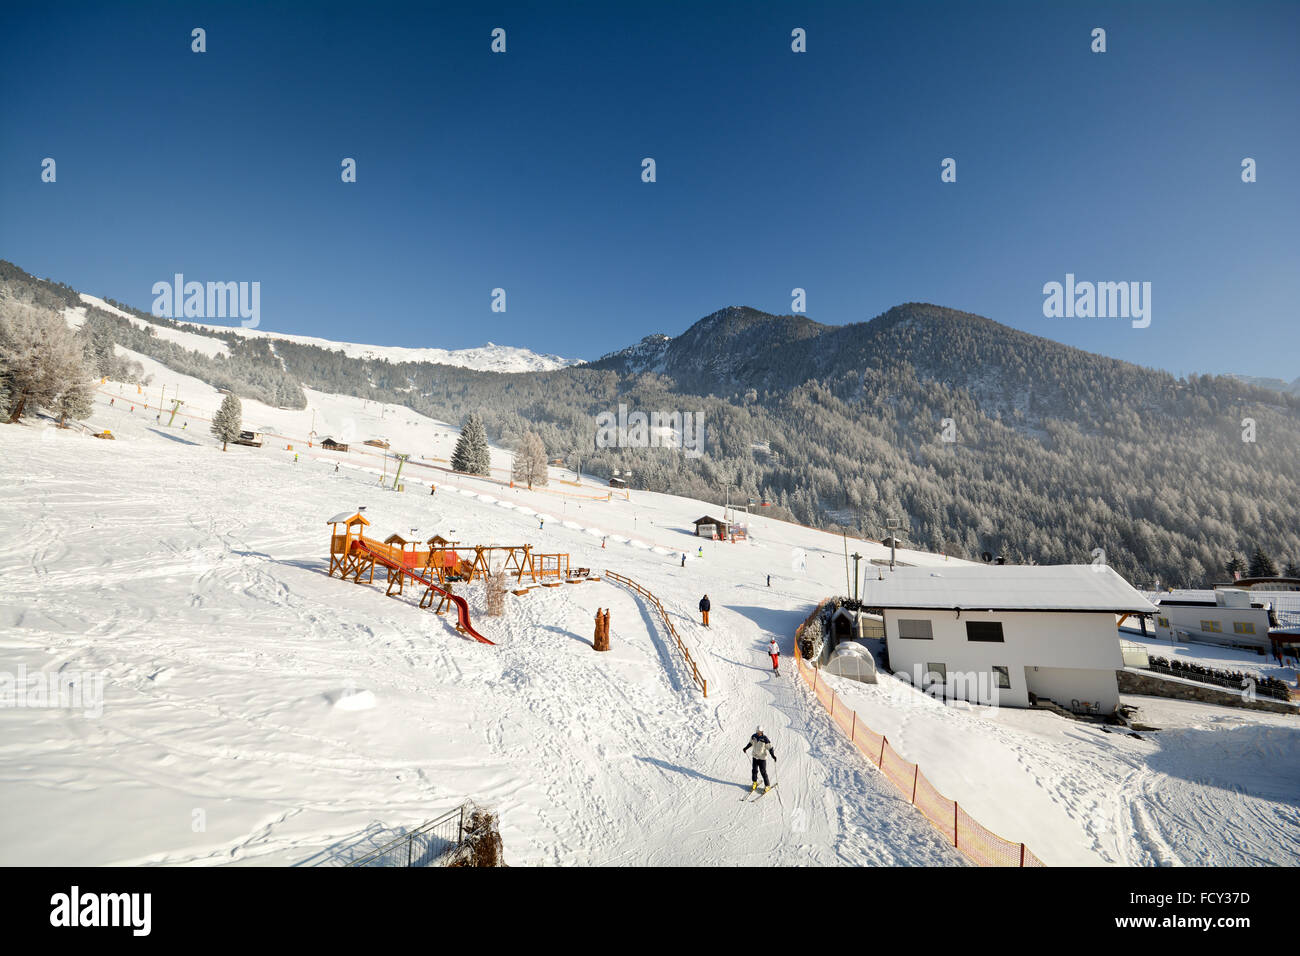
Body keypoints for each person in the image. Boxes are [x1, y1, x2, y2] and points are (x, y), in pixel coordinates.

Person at [743, 726, 776, 792]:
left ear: (762, 732)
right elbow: (750, 743)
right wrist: (745, 748)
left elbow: (769, 747)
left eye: (760, 732)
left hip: (762, 758)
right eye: (758, 732)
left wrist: (773, 755)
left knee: (763, 772)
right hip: (755, 757)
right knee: (754, 771)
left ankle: (767, 786)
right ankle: (754, 783)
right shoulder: (754, 736)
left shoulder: (765, 739)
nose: (759, 733)